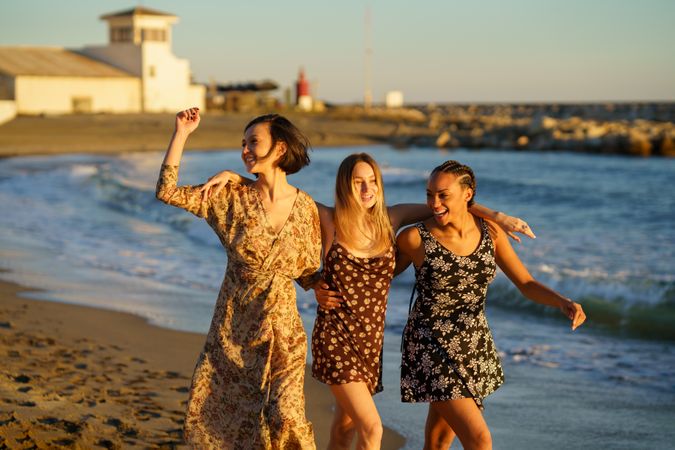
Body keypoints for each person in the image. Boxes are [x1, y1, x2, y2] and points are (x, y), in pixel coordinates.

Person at [202, 153, 534, 450]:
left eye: (372, 180)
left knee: (343, 431)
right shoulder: (328, 219)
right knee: (372, 429)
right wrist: (238, 178)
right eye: (358, 182)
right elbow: (279, 196)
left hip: (370, 342)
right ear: (344, 186)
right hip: (335, 336)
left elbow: (451, 205)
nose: (366, 188)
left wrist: (499, 217)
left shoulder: (391, 218)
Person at [155, 107, 321, 449]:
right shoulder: (228, 197)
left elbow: (306, 270)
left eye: (253, 142)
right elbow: (167, 192)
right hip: (236, 329)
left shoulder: (306, 207)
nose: (245, 149)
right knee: (233, 421)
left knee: (286, 415)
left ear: (279, 149)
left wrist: (327, 290)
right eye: (243, 143)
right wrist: (182, 134)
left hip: (284, 332)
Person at [394, 160, 586, 450]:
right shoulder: (414, 238)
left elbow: (525, 283)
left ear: (467, 194)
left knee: (438, 442)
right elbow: (377, 277)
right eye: (429, 194)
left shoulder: (491, 233)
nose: (434, 202)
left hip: (473, 345)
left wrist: (562, 302)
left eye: (443, 195)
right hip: (430, 345)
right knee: (480, 441)